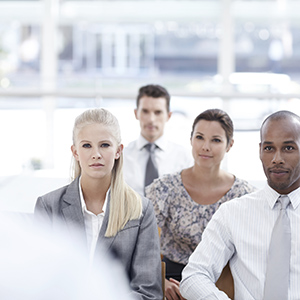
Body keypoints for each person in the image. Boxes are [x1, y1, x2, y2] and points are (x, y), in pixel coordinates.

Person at [34, 108, 162, 300]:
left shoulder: (141, 210)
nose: (96, 154)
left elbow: (148, 292)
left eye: (104, 145)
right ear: (75, 152)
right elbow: (37, 282)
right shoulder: (48, 206)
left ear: (118, 151)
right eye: (86, 146)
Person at [180, 110, 300, 299]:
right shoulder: (233, 212)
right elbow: (193, 276)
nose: (277, 159)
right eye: (269, 148)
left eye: (288, 148)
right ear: (260, 151)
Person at [146, 108, 256, 300]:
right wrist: (159, 279)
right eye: (200, 137)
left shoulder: (244, 195)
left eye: (216, 140)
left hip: (224, 285)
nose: (206, 146)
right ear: (191, 140)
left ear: (229, 145)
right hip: (173, 285)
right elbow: (146, 246)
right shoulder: (164, 188)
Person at [123, 84, 193, 195]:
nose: (151, 119)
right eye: (145, 111)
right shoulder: (122, 157)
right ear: (136, 113)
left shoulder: (183, 158)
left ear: (169, 115)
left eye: (158, 112)